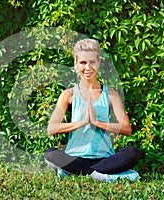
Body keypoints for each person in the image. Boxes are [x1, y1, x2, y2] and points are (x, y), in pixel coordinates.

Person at [43, 38, 144, 182]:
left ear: (98, 63)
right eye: (83, 62)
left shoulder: (111, 94)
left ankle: (79, 173)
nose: (88, 68)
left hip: (104, 159)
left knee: (132, 152)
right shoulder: (69, 94)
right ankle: (98, 175)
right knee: (50, 154)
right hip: (76, 158)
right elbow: (51, 128)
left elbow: (126, 128)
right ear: (76, 64)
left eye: (92, 62)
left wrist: (97, 122)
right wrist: (81, 122)